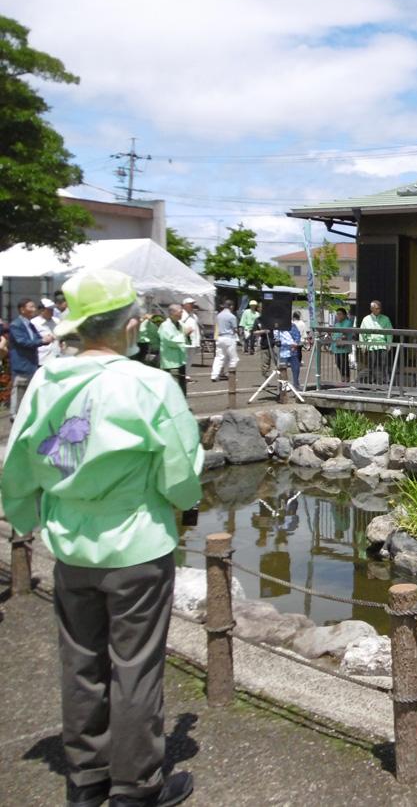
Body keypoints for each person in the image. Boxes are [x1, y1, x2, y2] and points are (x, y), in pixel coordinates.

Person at [1, 268, 201, 807]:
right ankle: (136, 786)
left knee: (82, 660)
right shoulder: (148, 383)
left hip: (69, 540)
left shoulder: (48, 380)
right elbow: (180, 471)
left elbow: (21, 454)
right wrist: (183, 505)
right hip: (136, 540)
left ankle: (86, 780)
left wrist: (25, 511)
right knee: (135, 668)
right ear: (131, 325)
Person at [7, 297, 53, 418]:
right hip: (21, 363)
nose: (34, 309)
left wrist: (45, 339)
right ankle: (14, 415)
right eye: (30, 307)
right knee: (19, 390)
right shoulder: (16, 325)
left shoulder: (30, 324)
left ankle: (24, 415)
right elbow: (23, 342)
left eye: (34, 306)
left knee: (28, 390)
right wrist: (42, 341)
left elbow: (37, 338)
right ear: (22, 309)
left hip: (31, 363)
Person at [157, 305, 188, 395]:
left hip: (181, 359)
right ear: (172, 313)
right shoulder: (165, 325)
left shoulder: (180, 324)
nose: (182, 313)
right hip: (170, 361)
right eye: (180, 311)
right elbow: (170, 341)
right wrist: (184, 335)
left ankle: (183, 405)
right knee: (172, 385)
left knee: (182, 384)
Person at [359, 300, 392, 385]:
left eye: (379, 308)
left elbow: (389, 332)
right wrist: (363, 345)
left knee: (383, 364)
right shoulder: (366, 319)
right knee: (371, 365)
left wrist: (389, 343)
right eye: (376, 308)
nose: (378, 310)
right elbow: (362, 333)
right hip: (371, 345)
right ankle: (372, 382)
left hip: (382, 344)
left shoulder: (385, 319)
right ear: (371, 309)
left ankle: (384, 382)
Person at [210, 300, 240, 382]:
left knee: (219, 357)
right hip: (229, 338)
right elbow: (235, 329)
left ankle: (214, 375)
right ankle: (231, 375)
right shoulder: (232, 317)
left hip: (220, 337)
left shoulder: (219, 315)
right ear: (231, 306)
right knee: (234, 358)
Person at [33, 298, 62, 366]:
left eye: (52, 309)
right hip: (42, 359)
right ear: (42, 310)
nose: (51, 311)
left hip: (56, 358)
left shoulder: (57, 321)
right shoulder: (34, 323)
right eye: (49, 309)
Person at [277, 316, 303, 390]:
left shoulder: (292, 325)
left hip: (293, 351)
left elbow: (297, 335)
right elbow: (276, 339)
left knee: (296, 368)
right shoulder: (277, 328)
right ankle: (284, 387)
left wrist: (295, 344)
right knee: (283, 370)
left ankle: (296, 385)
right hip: (283, 351)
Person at [330, 307, 354, 382]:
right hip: (336, 347)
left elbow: (345, 333)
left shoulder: (348, 322)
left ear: (344, 315)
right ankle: (343, 377)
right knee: (338, 363)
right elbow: (334, 336)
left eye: (340, 314)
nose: (338, 316)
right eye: (337, 314)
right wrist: (331, 347)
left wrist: (341, 338)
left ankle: (347, 378)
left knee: (344, 363)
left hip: (344, 347)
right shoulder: (336, 324)